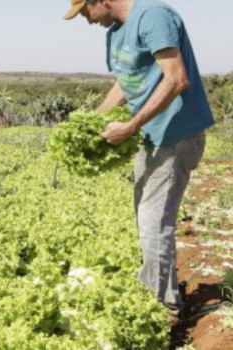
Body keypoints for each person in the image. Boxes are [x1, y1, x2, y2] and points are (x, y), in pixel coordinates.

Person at [63, 0, 215, 321]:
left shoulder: (153, 16)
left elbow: (177, 80)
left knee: (153, 221)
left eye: (85, 13)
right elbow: (124, 80)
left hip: (176, 135)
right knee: (147, 218)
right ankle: (161, 291)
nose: (87, 21)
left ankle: (163, 309)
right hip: (151, 137)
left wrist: (131, 125)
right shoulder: (116, 32)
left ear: (99, 0)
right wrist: (93, 123)